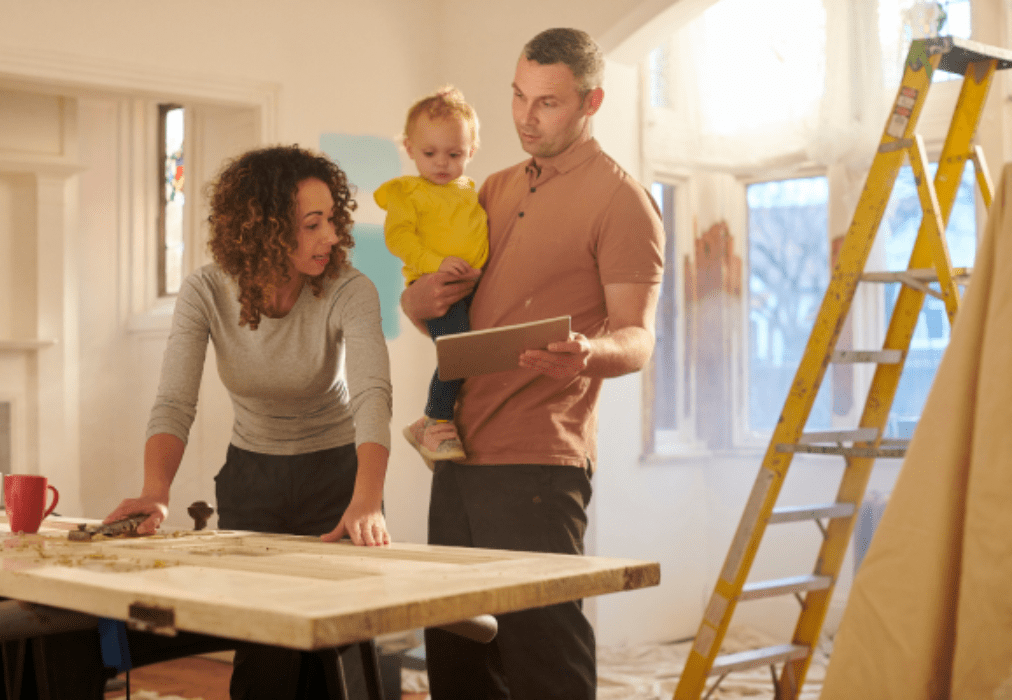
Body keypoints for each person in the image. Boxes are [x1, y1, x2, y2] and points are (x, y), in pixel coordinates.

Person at [400, 28, 665, 700]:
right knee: (456, 655)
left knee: (541, 654)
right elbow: (446, 313)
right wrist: (417, 299)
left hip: (540, 458)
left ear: (591, 101)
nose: (525, 116)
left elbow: (638, 338)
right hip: (457, 451)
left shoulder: (622, 201)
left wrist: (587, 355)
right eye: (518, 96)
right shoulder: (487, 186)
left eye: (546, 103)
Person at [105, 144, 392, 700]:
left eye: (332, 219)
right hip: (252, 480)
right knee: (265, 667)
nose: (331, 236)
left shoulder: (350, 289)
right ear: (263, 229)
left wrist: (369, 499)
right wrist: (155, 491)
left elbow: (372, 396)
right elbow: (173, 400)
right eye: (313, 224)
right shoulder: (206, 291)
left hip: (338, 479)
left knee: (344, 665)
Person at [374, 86, 489, 467]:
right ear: (409, 148)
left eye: (454, 154)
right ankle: (434, 420)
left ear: (471, 151)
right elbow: (399, 239)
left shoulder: (472, 190)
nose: (442, 163)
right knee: (459, 352)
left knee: (475, 355)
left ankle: (438, 421)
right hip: (434, 285)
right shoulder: (407, 192)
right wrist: (435, 263)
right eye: (429, 153)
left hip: (472, 285)